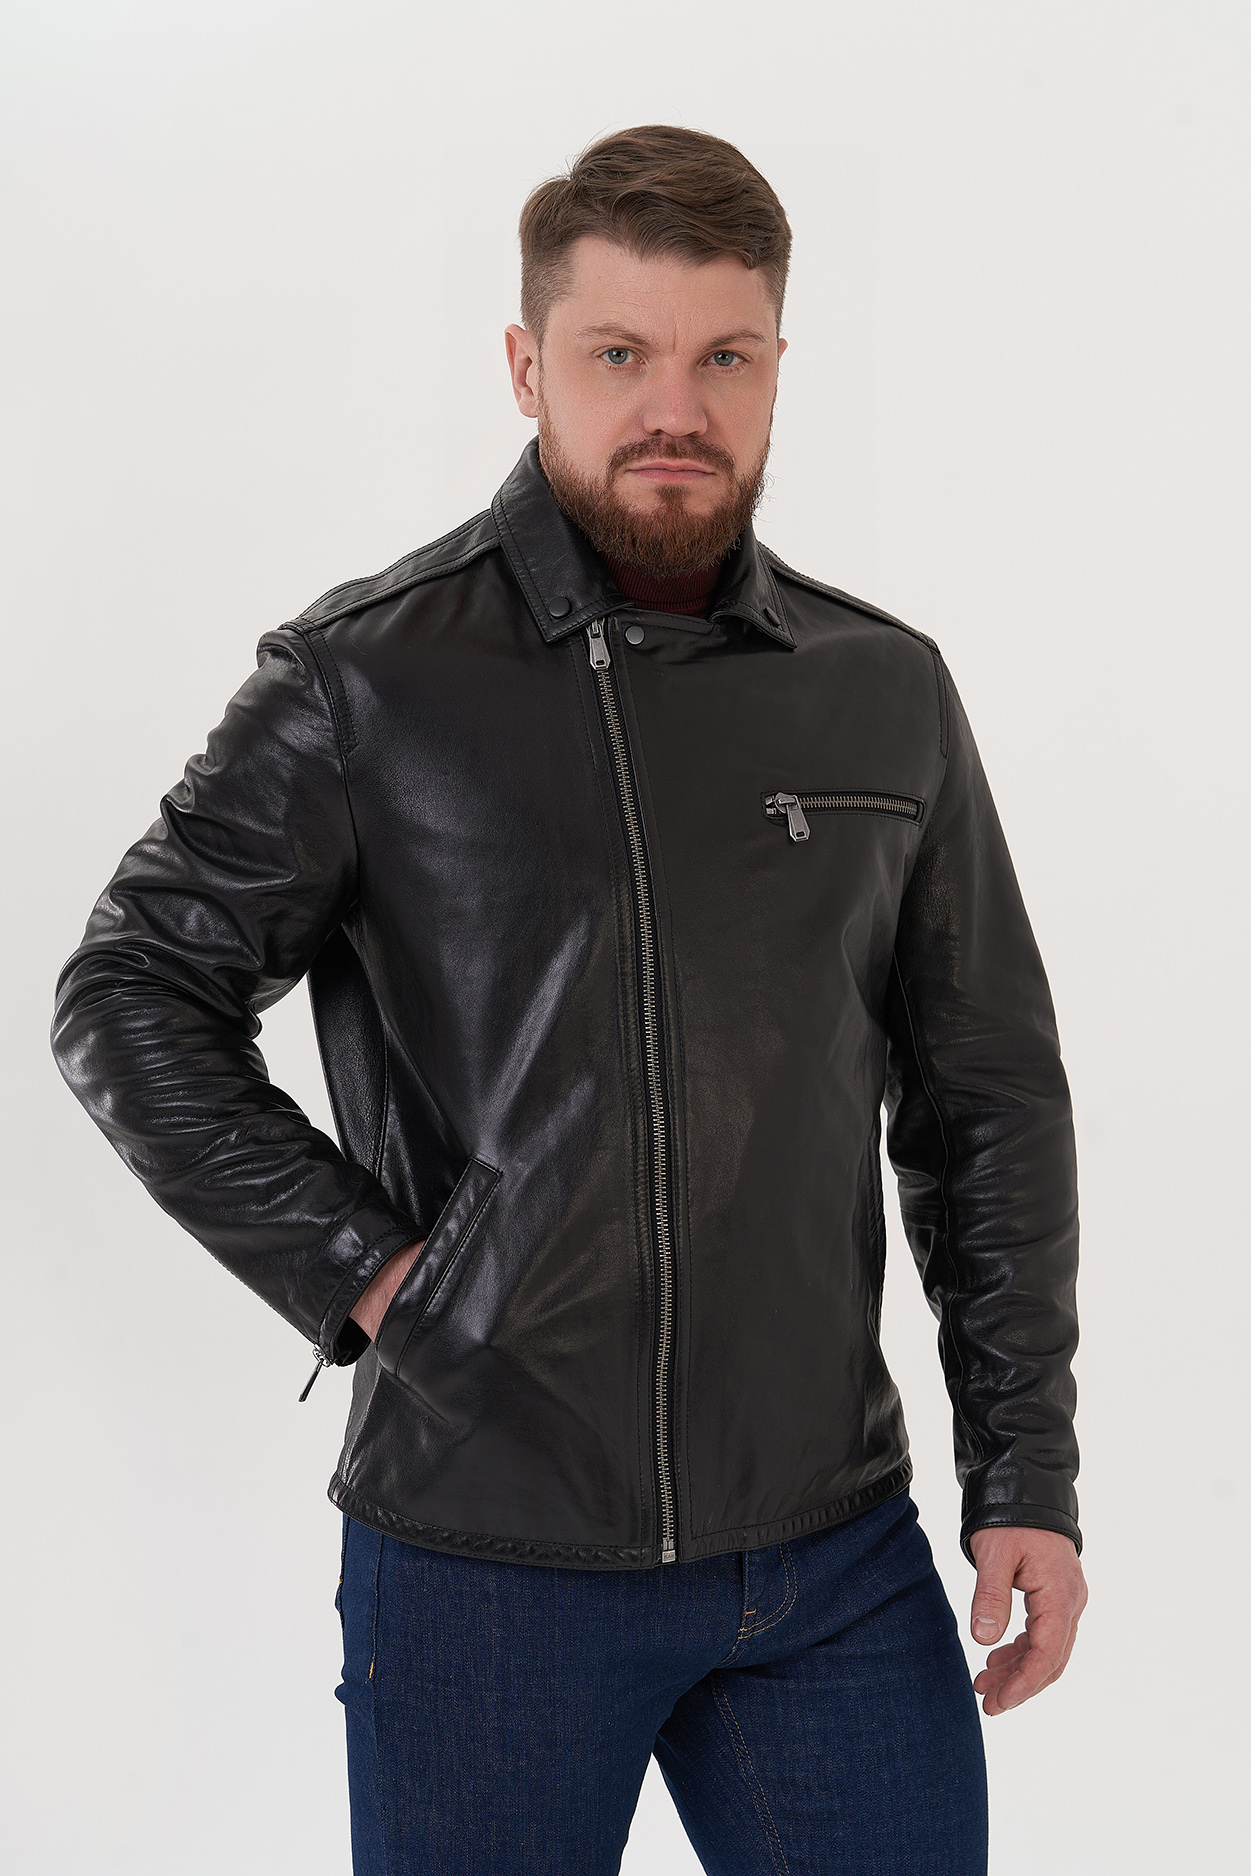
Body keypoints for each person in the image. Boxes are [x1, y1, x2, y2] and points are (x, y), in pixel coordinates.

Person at [52, 124, 1086, 1875]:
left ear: (778, 368)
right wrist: (374, 1272)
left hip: (830, 1557)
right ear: (529, 366)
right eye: (619, 354)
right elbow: (131, 990)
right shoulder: (366, 680)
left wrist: (1026, 1474)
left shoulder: (883, 688)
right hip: (486, 1562)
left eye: (724, 358)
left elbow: (985, 1099)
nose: (675, 407)